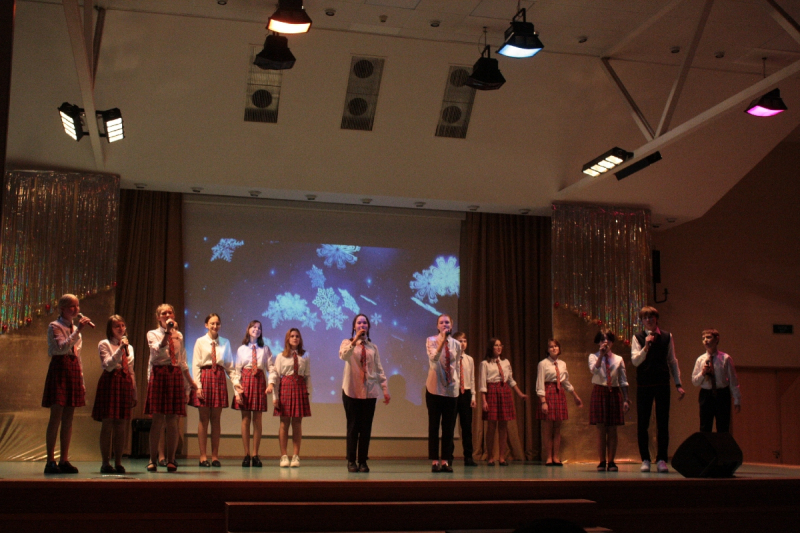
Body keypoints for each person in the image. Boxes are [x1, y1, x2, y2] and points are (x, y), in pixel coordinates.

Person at [42, 294, 93, 474]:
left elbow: (77, 355)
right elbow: (61, 347)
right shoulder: (54, 326)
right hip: (59, 369)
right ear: (62, 308)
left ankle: (64, 459)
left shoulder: (75, 328)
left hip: (72, 369)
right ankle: (50, 460)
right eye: (72, 306)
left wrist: (82, 380)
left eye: (77, 306)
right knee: (56, 416)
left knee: (68, 418)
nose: (76, 309)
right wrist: (78, 331)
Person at [631, 306, 685, 473]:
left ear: (656, 319)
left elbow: (672, 361)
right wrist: (645, 348)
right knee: (643, 423)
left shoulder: (667, 337)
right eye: (645, 318)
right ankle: (645, 459)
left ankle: (661, 458)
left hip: (662, 383)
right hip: (644, 384)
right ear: (642, 321)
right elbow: (635, 361)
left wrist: (678, 384)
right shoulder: (638, 337)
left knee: (663, 422)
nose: (648, 320)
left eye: (651, 317)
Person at [145, 303, 198, 473]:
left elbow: (181, 361)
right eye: (163, 313)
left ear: (174, 315)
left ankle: (171, 459)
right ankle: (152, 459)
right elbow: (156, 351)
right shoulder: (152, 334)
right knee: (157, 420)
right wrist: (167, 333)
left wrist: (190, 383)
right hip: (159, 374)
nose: (167, 315)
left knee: (173, 420)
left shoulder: (179, 335)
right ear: (158, 317)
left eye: (170, 312)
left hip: (174, 374)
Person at [339, 314, 390, 473]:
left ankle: (363, 461)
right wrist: (355, 340)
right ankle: (351, 460)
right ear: (354, 327)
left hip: (369, 392)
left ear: (368, 326)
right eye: (359, 323)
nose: (362, 325)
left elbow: (379, 368)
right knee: (353, 427)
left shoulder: (373, 347)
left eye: (365, 323)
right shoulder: (347, 343)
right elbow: (344, 355)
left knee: (366, 428)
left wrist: (385, 388)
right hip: (352, 391)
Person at [92, 315, 137, 474]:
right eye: (117, 326)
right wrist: (120, 349)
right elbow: (108, 365)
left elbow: (130, 370)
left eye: (123, 325)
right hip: (110, 381)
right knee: (108, 423)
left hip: (124, 382)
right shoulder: (104, 344)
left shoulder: (130, 347)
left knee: (121, 425)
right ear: (110, 329)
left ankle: (118, 462)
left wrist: (134, 391)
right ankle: (105, 462)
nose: (121, 329)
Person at [189, 313, 232, 467]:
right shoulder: (200, 341)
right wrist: (198, 386)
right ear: (206, 325)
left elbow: (229, 366)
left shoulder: (225, 342)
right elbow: (196, 365)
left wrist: (236, 383)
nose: (215, 326)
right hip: (205, 377)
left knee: (216, 419)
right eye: (212, 323)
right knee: (203, 418)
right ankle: (203, 456)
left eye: (217, 323)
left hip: (219, 377)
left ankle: (215, 456)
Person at [480, 338, 529, 465]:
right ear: (491, 348)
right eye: (496, 345)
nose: (499, 347)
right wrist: (484, 401)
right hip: (492, 391)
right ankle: (490, 456)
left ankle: (502, 457)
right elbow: (483, 384)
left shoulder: (506, 362)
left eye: (500, 345)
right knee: (491, 426)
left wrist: (520, 394)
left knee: (503, 426)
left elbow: (510, 380)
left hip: (504, 391)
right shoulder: (485, 363)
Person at [232, 320, 273, 467]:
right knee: (245, 419)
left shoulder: (265, 349)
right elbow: (237, 371)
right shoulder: (241, 349)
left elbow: (271, 368)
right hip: (245, 382)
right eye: (254, 327)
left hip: (259, 381)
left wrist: (271, 384)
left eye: (259, 328)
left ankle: (255, 454)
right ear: (248, 329)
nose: (256, 329)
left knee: (257, 419)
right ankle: (246, 454)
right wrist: (237, 391)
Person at [536, 339, 582, 466]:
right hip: (548, 393)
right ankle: (549, 457)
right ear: (548, 350)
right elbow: (540, 383)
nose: (554, 348)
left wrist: (575, 396)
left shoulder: (562, 364)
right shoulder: (543, 364)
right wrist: (543, 401)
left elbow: (565, 382)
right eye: (551, 347)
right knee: (548, 428)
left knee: (557, 428)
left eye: (556, 346)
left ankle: (556, 456)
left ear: (559, 348)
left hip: (559, 393)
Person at [425, 314, 462, 472]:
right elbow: (434, 359)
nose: (444, 324)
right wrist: (442, 342)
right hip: (434, 389)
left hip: (450, 390)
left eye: (447, 322)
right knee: (434, 426)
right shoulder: (431, 340)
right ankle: (435, 461)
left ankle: (446, 460)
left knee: (448, 427)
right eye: (441, 322)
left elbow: (457, 365)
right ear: (437, 326)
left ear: (451, 326)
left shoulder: (457, 344)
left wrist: (458, 382)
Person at [588, 331, 629, 472]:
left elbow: (623, 380)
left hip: (614, 392)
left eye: (608, 340)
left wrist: (626, 399)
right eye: (602, 340)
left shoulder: (618, 359)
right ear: (598, 342)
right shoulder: (593, 356)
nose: (605, 342)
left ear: (612, 342)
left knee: (612, 429)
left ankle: (611, 461)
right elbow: (594, 370)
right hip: (600, 391)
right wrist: (601, 355)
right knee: (600, 429)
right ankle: (601, 461)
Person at [273, 328, 310, 467]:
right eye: (292, 336)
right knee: (284, 422)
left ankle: (295, 456)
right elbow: (276, 377)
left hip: (299, 388)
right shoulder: (281, 356)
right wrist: (275, 397)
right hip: (285, 388)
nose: (295, 338)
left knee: (297, 423)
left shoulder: (305, 355)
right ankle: (284, 456)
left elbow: (307, 375)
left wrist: (308, 393)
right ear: (288, 339)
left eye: (297, 336)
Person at [691, 329, 741, 432]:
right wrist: (703, 373)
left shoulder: (725, 358)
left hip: (722, 394)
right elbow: (695, 381)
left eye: (709, 337)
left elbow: (733, 380)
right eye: (703, 338)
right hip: (706, 394)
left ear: (717, 339)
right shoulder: (700, 360)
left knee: (723, 427)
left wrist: (737, 399)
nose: (705, 340)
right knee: (705, 427)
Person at [452, 332, 477, 467]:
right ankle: (448, 456)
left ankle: (468, 456)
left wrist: (473, 395)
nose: (462, 343)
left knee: (467, 426)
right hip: (453, 393)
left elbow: (472, 378)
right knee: (450, 426)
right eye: (460, 341)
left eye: (464, 341)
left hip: (465, 393)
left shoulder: (469, 359)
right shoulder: (451, 358)